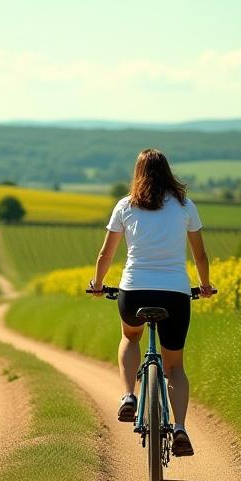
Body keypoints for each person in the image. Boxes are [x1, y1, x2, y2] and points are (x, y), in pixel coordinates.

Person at [89, 148, 214, 457]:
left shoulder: (125, 206)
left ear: (138, 174)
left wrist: (98, 284)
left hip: (134, 292)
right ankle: (181, 428)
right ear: (168, 173)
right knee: (175, 367)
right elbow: (199, 254)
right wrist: (206, 286)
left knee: (130, 336)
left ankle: (128, 396)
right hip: (175, 295)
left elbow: (106, 254)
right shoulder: (185, 206)